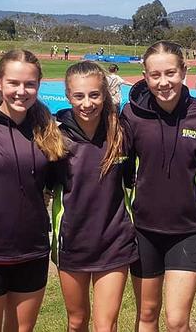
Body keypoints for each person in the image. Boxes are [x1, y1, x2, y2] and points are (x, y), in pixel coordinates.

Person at [120, 41, 196, 332]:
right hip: (143, 230)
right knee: (147, 314)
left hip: (188, 231)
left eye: (170, 73)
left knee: (177, 321)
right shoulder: (131, 115)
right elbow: (124, 170)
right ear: (145, 75)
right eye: (155, 75)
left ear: (184, 72)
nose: (163, 82)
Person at [0, 49, 66, 332]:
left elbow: (59, 179)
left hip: (33, 251)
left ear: (39, 85)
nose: (21, 91)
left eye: (30, 84)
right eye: (14, 83)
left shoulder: (48, 130)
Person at [52, 61, 138, 332]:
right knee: (77, 322)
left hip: (114, 240)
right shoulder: (56, 137)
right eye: (79, 96)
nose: (87, 103)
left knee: (105, 325)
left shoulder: (121, 133)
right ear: (68, 96)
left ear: (105, 94)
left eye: (94, 95)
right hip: (72, 241)